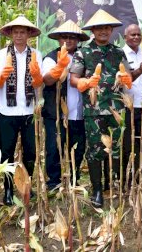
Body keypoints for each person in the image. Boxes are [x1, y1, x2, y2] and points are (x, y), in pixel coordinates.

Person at [69, 9, 135, 208]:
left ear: (111, 30)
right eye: (99, 28)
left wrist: (126, 79)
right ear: (93, 30)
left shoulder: (118, 52)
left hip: (116, 109)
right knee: (96, 149)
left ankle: (113, 185)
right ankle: (97, 189)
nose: (103, 31)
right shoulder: (83, 52)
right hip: (94, 110)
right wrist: (86, 82)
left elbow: (128, 77)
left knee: (115, 149)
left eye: (106, 28)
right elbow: (73, 79)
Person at [0, 16, 44, 205]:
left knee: (31, 153)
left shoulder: (36, 54)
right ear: (11, 34)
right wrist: (2, 76)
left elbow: (39, 83)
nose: (19, 35)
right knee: (7, 153)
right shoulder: (1, 55)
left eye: (23, 31)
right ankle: (7, 190)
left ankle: (26, 186)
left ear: (29, 34)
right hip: (7, 112)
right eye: (16, 32)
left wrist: (37, 76)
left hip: (29, 111)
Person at [41, 20, 90, 191]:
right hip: (55, 113)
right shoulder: (50, 57)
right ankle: (54, 182)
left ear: (78, 40)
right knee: (54, 148)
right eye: (64, 37)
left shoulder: (85, 56)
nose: (68, 41)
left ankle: (74, 178)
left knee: (78, 147)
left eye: (72, 37)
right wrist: (60, 67)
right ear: (58, 40)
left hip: (78, 112)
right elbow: (46, 80)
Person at [121, 24, 142, 186]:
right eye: (132, 35)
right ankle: (126, 177)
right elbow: (125, 79)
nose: (136, 37)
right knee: (128, 144)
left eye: (138, 35)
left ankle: (138, 176)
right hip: (127, 107)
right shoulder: (121, 54)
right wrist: (139, 70)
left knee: (141, 144)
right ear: (125, 37)